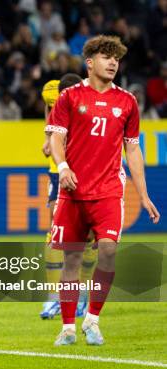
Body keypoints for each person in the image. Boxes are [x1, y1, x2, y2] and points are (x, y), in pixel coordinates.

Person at [47, 35, 160, 346]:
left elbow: (133, 151)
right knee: (71, 261)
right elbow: (56, 137)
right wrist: (63, 167)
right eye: (106, 56)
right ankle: (68, 327)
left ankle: (93, 320)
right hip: (72, 192)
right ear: (89, 62)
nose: (113, 63)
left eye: (117, 58)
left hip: (109, 191)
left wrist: (145, 194)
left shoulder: (127, 102)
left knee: (108, 250)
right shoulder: (69, 97)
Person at [39, 73, 99, 321]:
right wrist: (48, 138)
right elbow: (48, 141)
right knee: (56, 231)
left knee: (89, 235)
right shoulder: (57, 101)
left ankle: (82, 295)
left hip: (90, 173)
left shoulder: (91, 105)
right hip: (60, 173)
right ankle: (53, 298)